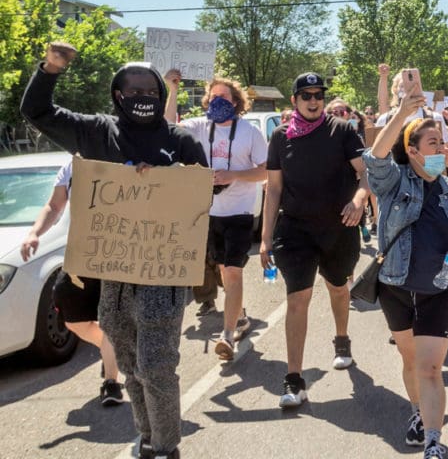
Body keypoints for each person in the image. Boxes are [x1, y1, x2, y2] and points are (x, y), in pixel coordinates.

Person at [22, 42, 208, 459]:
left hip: (163, 276)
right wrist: (50, 68)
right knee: (130, 364)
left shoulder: (179, 140)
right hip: (114, 275)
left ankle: (166, 445)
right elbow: (37, 112)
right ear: (117, 95)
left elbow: (205, 194)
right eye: (133, 89)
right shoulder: (95, 131)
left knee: (157, 363)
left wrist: (169, 179)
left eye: (150, 90)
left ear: (161, 94)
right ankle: (147, 436)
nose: (142, 97)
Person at [364, 93, 448, 459]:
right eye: (433, 142)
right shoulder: (393, 183)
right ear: (413, 150)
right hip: (395, 288)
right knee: (410, 360)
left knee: (430, 367)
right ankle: (418, 412)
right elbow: (375, 158)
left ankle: (433, 441)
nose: (442, 148)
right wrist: (402, 112)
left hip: (438, 290)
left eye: (443, 142)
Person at [260, 72, 369, 407]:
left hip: (339, 227)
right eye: (305, 95)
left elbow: (365, 174)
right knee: (298, 299)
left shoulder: (342, 130)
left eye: (318, 95)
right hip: (295, 231)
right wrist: (265, 238)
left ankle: (341, 339)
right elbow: (274, 188)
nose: (313, 100)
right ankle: (294, 380)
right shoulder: (280, 138)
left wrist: (359, 201)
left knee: (338, 288)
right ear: (294, 101)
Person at [165, 71, 268, 361]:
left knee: (232, 272)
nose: (216, 101)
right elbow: (168, 126)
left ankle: (226, 337)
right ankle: (242, 318)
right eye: (213, 96)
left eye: (224, 97)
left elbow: (266, 171)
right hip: (209, 213)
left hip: (239, 213)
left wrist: (234, 174)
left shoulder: (250, 133)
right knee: (223, 271)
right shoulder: (199, 126)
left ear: (236, 102)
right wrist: (172, 89)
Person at [20, 161, 124, 407]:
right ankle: (112, 350)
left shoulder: (120, 155)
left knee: (110, 320)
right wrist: (35, 233)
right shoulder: (72, 166)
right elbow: (54, 205)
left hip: (117, 254)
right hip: (81, 257)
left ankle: (111, 383)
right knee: (72, 318)